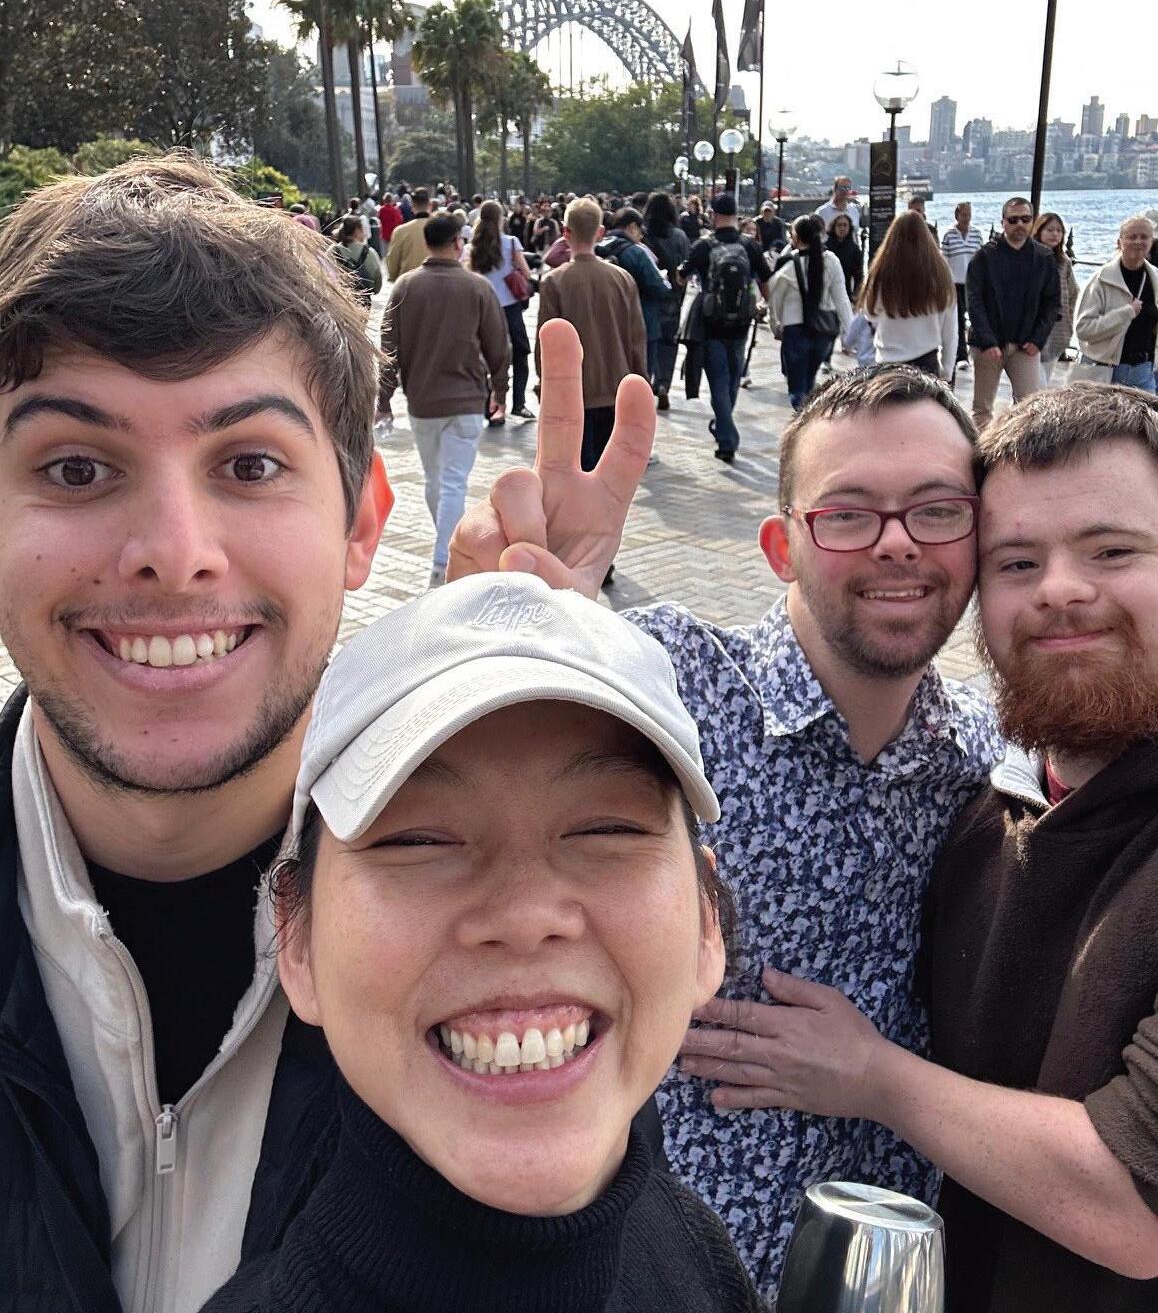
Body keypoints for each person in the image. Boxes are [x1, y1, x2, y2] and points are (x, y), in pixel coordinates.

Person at [445, 356, 1001, 1301]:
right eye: (848, 514)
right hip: (649, 1265)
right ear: (782, 547)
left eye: (937, 511)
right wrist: (517, 637)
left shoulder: (986, 769)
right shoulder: (671, 686)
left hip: (885, 1276)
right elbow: (464, 784)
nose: (898, 543)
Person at [0, 153, 394, 1313]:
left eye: (250, 464)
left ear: (362, 525)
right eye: (77, 468)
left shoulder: (490, 938)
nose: (175, 553)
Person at [199, 574, 762, 1313]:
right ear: (296, 940)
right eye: (418, 841)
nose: (525, 916)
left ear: (706, 922)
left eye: (607, 829)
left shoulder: (695, 1252)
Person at [726, 384, 1158, 1311]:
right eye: (1017, 561)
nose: (1061, 588)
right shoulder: (978, 803)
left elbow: (1138, 1203)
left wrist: (872, 1077)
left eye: (1113, 550)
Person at [380, 213, 508, 589]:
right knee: (450, 482)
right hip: (466, 398)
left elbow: (388, 348)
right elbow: (498, 345)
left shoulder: (406, 287)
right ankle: (445, 560)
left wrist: (383, 398)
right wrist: (500, 389)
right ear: (457, 243)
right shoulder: (477, 287)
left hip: (422, 401)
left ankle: (445, 557)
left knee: (437, 480)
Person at [534, 197, 646, 505]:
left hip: (573, 393)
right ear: (600, 232)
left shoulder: (554, 282)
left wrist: (544, 384)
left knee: (577, 474)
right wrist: (641, 385)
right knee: (609, 475)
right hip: (616, 389)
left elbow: (546, 344)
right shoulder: (622, 279)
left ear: (565, 233)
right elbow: (637, 339)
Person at [680, 192, 773, 462]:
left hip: (712, 324)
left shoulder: (703, 246)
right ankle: (724, 426)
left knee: (718, 382)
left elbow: (681, 277)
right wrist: (763, 305)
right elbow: (766, 281)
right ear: (735, 214)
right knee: (732, 379)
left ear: (714, 215)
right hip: (741, 323)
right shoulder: (749, 245)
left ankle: (727, 437)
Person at [965, 195, 1059, 425]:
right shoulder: (984, 257)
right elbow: (974, 302)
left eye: (1025, 219)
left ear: (1032, 222)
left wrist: (1038, 340)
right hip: (988, 346)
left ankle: (1017, 446)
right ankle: (981, 447)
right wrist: (988, 341)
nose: (1019, 224)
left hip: (1025, 346)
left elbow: (1052, 303)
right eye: (1013, 219)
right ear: (1003, 222)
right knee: (982, 409)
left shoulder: (1044, 257)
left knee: (1030, 408)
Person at [858, 210, 957, 380]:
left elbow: (869, 313)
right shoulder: (939, 271)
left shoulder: (881, 270)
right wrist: (947, 370)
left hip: (887, 361)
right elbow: (950, 329)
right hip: (926, 361)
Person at [768, 214, 853, 411]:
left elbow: (775, 301)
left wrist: (775, 326)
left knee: (797, 388)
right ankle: (808, 416)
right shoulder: (831, 261)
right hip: (823, 331)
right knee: (809, 381)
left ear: (796, 238)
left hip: (794, 330)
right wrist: (849, 333)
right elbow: (842, 298)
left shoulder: (787, 265)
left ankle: (803, 418)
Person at [467, 199, 535, 422]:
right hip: (510, 307)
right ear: (500, 219)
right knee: (521, 353)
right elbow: (525, 272)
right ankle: (518, 403)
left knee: (486, 356)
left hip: (483, 308)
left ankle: (490, 406)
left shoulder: (472, 246)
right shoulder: (512, 243)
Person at [1073, 216, 1158, 393]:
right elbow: (1083, 329)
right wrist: (1125, 313)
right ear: (1119, 242)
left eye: (1144, 237)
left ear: (1151, 242)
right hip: (1105, 370)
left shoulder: (1155, 278)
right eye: (1132, 237)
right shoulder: (1101, 280)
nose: (1138, 241)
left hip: (1144, 371)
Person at [597, 207, 671, 401]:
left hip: (607, 324)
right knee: (640, 378)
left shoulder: (598, 247)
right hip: (642, 322)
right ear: (631, 227)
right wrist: (665, 280)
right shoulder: (636, 253)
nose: (641, 234)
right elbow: (660, 288)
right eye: (640, 229)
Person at [642, 191, 691, 412]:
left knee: (647, 341)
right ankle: (663, 384)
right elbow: (685, 269)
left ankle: (646, 381)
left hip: (648, 297)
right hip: (672, 297)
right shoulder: (680, 236)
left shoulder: (644, 235)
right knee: (668, 343)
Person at [1031, 212, 1079, 383]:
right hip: (1033, 330)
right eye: (1050, 230)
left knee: (1045, 376)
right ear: (1039, 231)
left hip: (1057, 329)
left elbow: (1073, 292)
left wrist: (1069, 316)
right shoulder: (1030, 258)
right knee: (1034, 383)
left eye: (1059, 231)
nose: (1055, 234)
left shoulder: (1064, 262)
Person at [941, 202, 984, 367]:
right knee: (957, 320)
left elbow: (981, 259)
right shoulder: (949, 235)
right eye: (964, 215)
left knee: (975, 318)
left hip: (973, 284)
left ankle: (976, 349)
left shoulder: (977, 234)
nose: (966, 218)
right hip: (954, 283)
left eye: (969, 215)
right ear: (957, 216)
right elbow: (944, 260)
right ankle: (961, 356)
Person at [327, 215, 383, 307]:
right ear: (357, 231)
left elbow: (324, 278)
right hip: (362, 304)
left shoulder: (332, 251)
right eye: (362, 230)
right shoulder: (370, 253)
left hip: (337, 302)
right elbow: (377, 285)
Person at [385, 185, 433, 280]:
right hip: (436, 281)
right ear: (430, 205)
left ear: (412, 206)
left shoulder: (400, 231)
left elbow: (392, 263)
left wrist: (395, 278)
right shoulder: (442, 229)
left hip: (407, 282)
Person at [825, 211, 863, 302]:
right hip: (827, 294)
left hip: (846, 294)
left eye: (845, 225)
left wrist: (856, 295)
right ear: (834, 227)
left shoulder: (854, 249)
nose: (842, 228)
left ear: (849, 228)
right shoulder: (825, 247)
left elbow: (858, 275)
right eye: (839, 225)